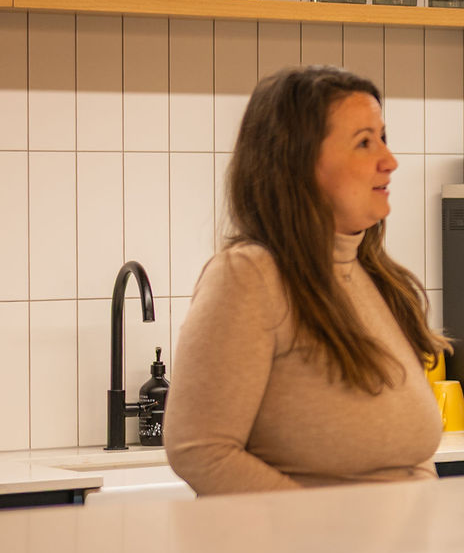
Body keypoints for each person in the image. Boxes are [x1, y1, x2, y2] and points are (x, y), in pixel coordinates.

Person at [167, 67, 446, 493]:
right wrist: (326, 537)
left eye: (383, 138)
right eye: (364, 142)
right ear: (300, 163)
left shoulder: (373, 276)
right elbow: (201, 451)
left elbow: (410, 458)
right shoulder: (250, 278)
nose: (389, 161)